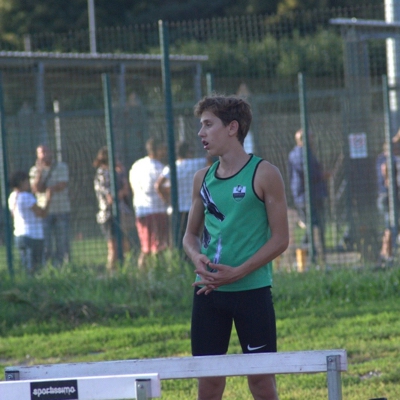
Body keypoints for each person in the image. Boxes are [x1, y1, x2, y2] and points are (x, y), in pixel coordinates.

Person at [183, 95, 289, 400]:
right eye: (200, 125)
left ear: (232, 128)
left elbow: (281, 239)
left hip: (252, 293)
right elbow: (189, 236)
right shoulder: (202, 178)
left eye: (208, 124)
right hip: (208, 293)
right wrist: (197, 257)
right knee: (209, 383)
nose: (201, 133)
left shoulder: (265, 173)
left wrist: (238, 272)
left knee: (261, 382)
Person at [155, 141, 207, 247]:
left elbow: (158, 185)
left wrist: (167, 200)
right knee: (197, 237)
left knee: (180, 240)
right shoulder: (197, 163)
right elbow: (210, 159)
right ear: (188, 152)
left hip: (177, 208)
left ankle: (180, 255)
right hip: (195, 208)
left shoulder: (171, 167)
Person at [288, 129, 328, 262]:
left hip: (313, 196)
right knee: (313, 226)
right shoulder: (298, 154)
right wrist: (322, 175)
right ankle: (309, 255)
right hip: (305, 197)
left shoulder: (307, 153)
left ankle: (309, 254)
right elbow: (308, 172)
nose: (312, 140)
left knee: (314, 226)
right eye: (310, 137)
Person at [129, 137, 169, 268]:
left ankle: (142, 274)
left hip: (141, 211)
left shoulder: (136, 165)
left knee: (145, 248)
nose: (165, 151)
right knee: (159, 247)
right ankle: (159, 272)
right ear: (157, 150)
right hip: (157, 210)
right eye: (162, 148)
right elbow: (165, 189)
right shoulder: (160, 168)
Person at [93, 146, 134, 271]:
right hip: (108, 215)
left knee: (126, 246)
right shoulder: (102, 174)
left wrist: (122, 175)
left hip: (121, 213)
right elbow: (110, 198)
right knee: (113, 248)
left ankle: (125, 271)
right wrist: (122, 192)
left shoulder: (116, 173)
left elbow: (126, 190)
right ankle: (111, 273)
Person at [29, 144, 71, 266]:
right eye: (41, 153)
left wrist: (49, 189)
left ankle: (63, 266)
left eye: (46, 151)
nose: (44, 155)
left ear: (51, 152)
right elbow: (35, 188)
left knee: (62, 242)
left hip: (61, 209)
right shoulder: (34, 170)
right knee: (46, 243)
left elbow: (62, 184)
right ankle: (48, 266)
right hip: (44, 211)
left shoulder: (61, 167)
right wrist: (40, 172)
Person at [8, 170, 52, 274]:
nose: (28, 183)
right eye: (26, 180)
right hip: (32, 236)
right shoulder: (26, 196)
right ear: (21, 182)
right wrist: (48, 199)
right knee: (35, 267)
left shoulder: (12, 196)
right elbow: (42, 213)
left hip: (19, 235)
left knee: (25, 266)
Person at [376, 142, 398, 265]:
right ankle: (386, 255)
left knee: (389, 227)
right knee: (390, 226)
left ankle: (384, 253)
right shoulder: (389, 160)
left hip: (384, 197)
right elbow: (385, 169)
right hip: (387, 198)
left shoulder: (380, 158)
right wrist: (389, 179)